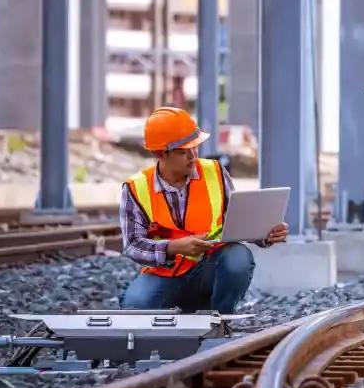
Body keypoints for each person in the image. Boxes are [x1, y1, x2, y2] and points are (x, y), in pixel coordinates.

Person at [118, 107, 289, 313]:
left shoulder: (215, 173)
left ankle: (220, 319)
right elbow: (133, 245)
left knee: (237, 257)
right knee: (135, 306)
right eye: (183, 151)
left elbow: (236, 222)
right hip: (164, 273)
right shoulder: (136, 188)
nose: (193, 155)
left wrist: (266, 234)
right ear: (159, 153)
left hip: (208, 269)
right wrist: (173, 248)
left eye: (195, 147)